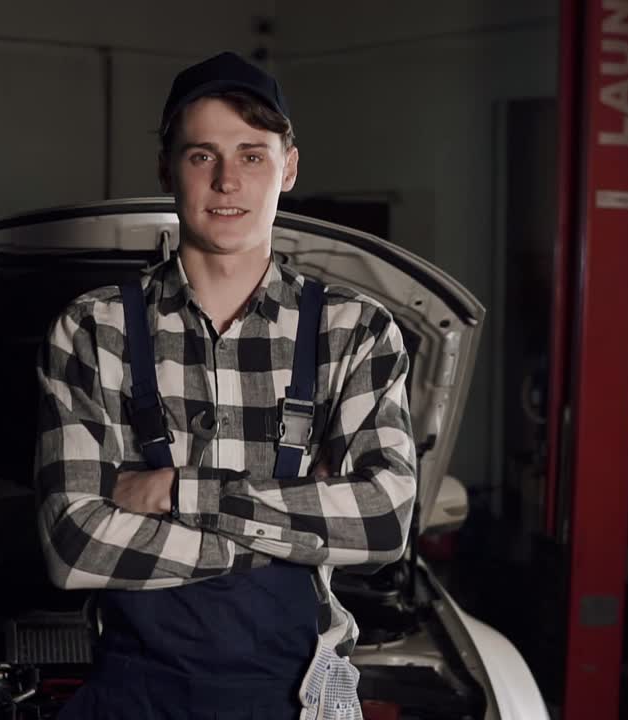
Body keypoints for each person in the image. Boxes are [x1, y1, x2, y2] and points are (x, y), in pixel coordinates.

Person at [34, 51, 420, 720]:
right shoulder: (94, 328)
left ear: (288, 167)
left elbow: (384, 521)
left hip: (298, 701)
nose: (226, 182)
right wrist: (295, 525)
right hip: (133, 698)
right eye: (200, 156)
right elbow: (73, 546)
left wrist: (175, 492)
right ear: (166, 168)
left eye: (251, 155)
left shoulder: (355, 330)